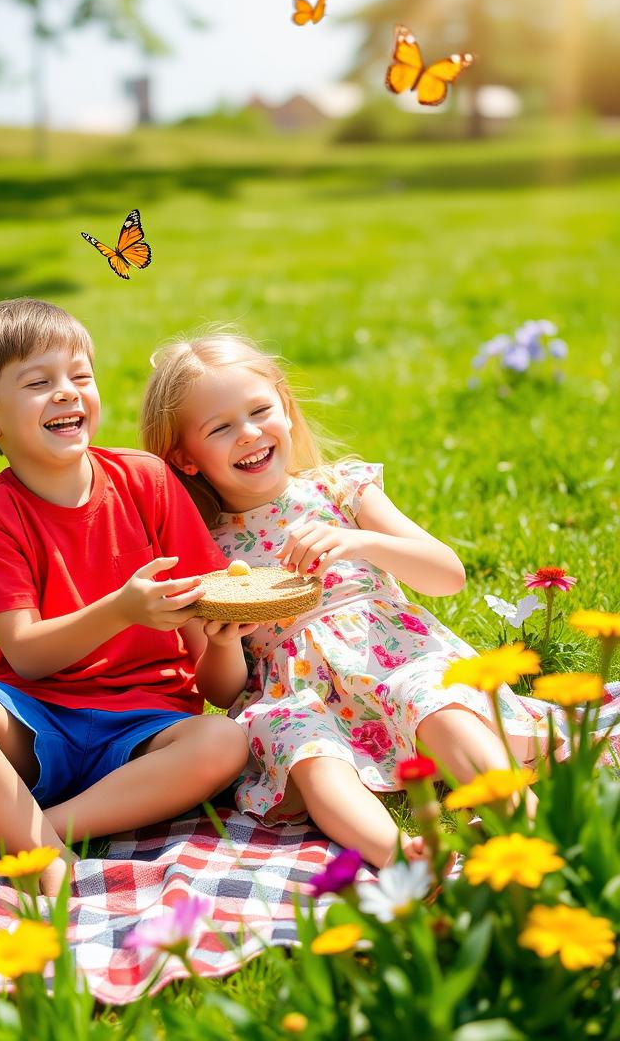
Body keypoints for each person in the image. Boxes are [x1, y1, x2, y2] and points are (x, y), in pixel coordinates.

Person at [140, 331, 556, 871]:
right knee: (303, 744)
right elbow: (221, 689)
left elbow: (448, 575)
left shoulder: (342, 491)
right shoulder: (200, 547)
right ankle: (400, 857)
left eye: (260, 410)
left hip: (392, 660)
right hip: (300, 694)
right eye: (220, 428)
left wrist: (361, 541)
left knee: (433, 696)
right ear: (185, 459)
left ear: (286, 411)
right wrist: (224, 643)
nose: (249, 434)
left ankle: (518, 813)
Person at [0, 300, 251, 901]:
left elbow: (220, 692)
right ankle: (32, 837)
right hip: (35, 722)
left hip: (146, 730)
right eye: (39, 383)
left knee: (225, 741)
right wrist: (122, 609)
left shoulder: (146, 482)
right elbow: (30, 657)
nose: (67, 393)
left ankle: (26, 836)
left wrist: (225, 643)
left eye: (80, 376)